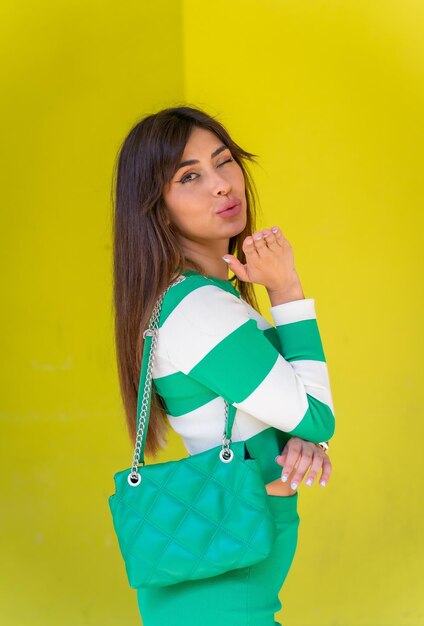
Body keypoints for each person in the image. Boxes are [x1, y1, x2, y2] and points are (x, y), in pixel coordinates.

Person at [112, 105, 335, 626]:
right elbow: (317, 410)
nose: (221, 185)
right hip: (220, 602)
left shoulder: (212, 298)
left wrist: (299, 439)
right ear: (157, 209)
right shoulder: (197, 308)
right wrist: (286, 288)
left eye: (224, 161)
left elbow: (295, 404)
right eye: (189, 176)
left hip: (232, 585)